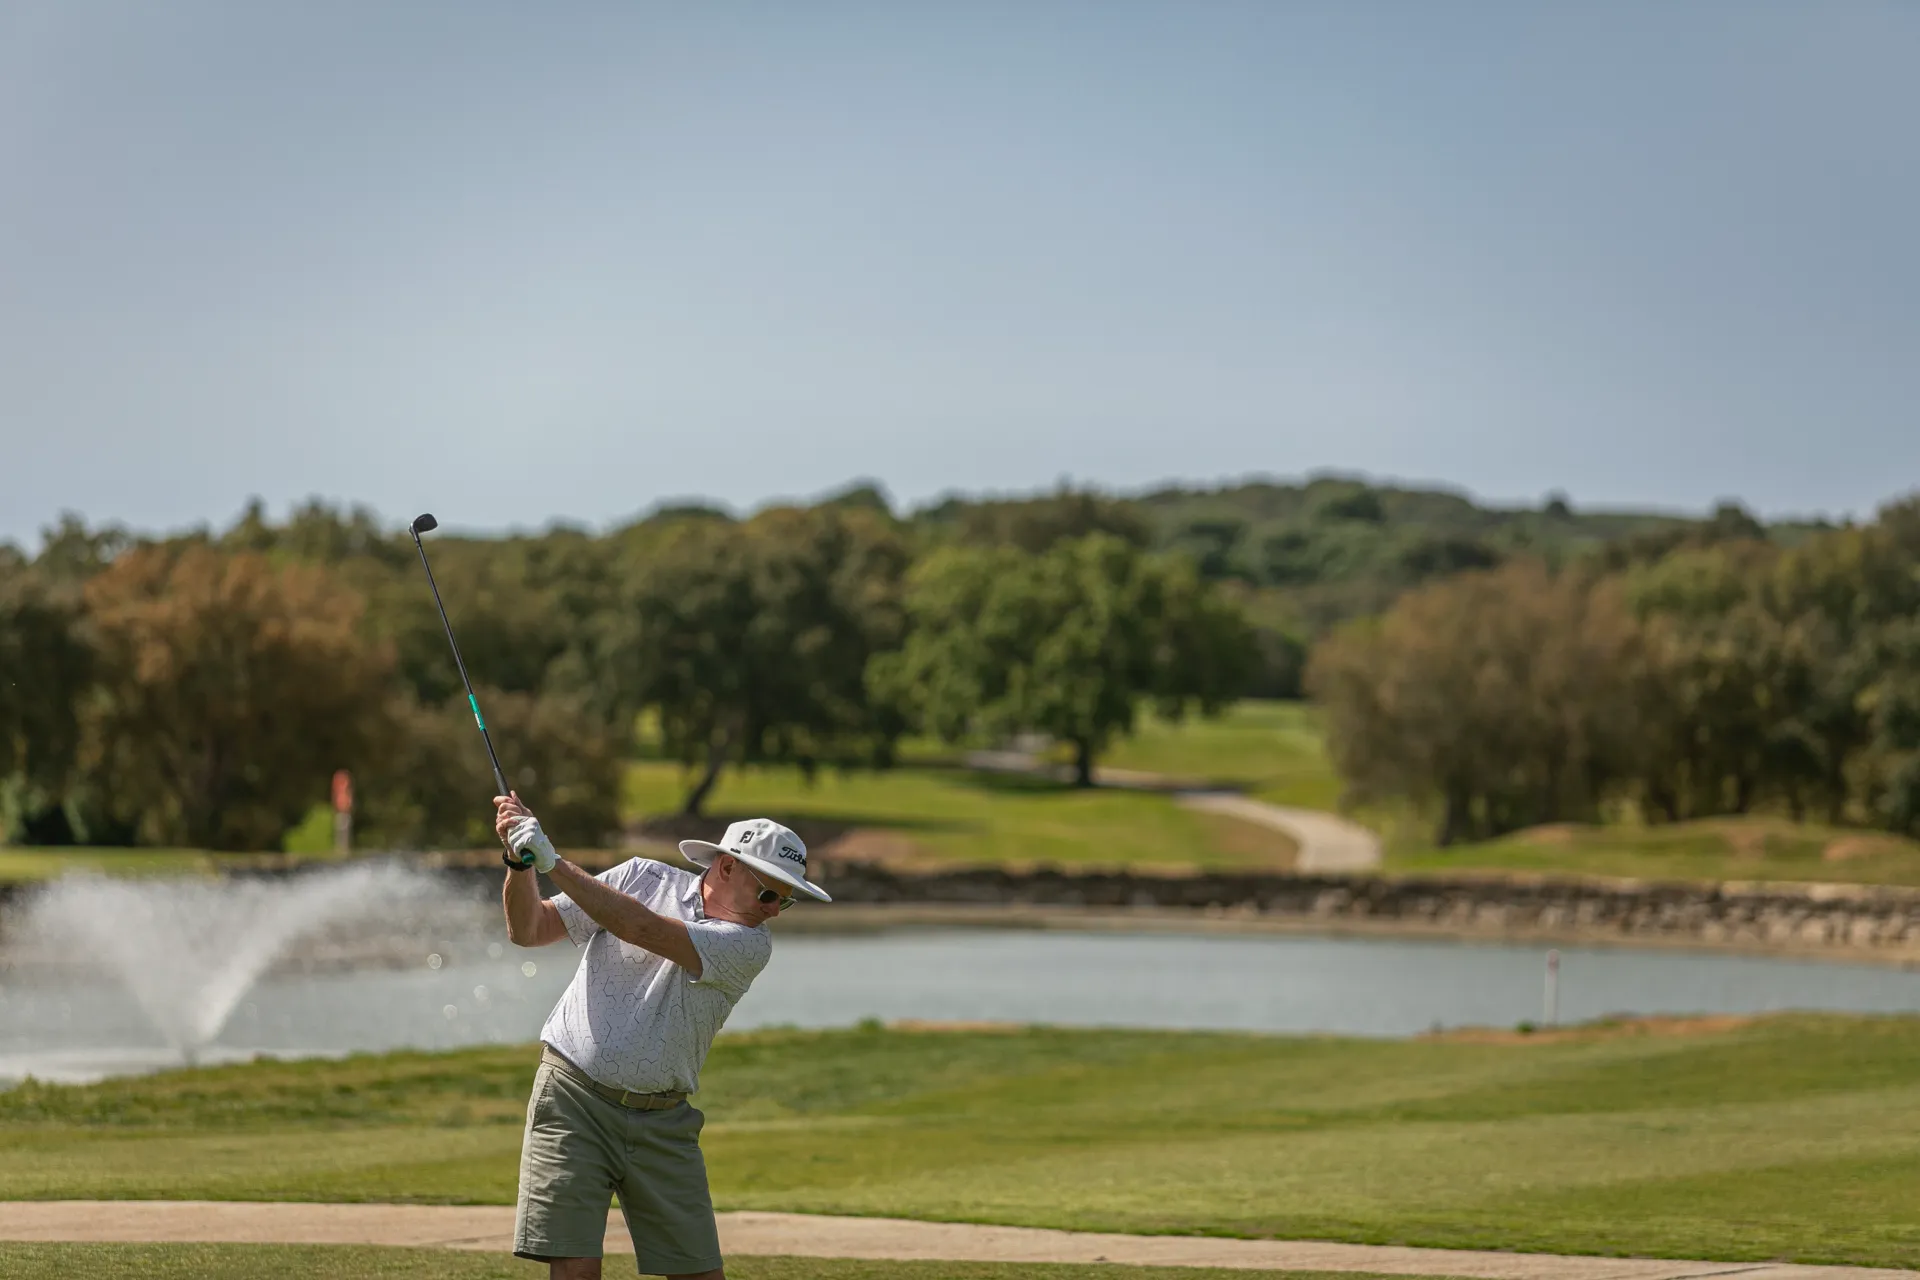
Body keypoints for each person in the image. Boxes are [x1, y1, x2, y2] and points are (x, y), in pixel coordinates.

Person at [493, 792, 831, 1280]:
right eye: (769, 893)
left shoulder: (749, 945)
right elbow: (530, 929)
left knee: (698, 1273)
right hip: (573, 1100)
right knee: (574, 1268)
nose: (775, 909)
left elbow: (642, 928)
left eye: (785, 899)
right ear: (728, 868)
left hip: (664, 1124)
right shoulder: (641, 876)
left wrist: (554, 861)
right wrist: (520, 861)